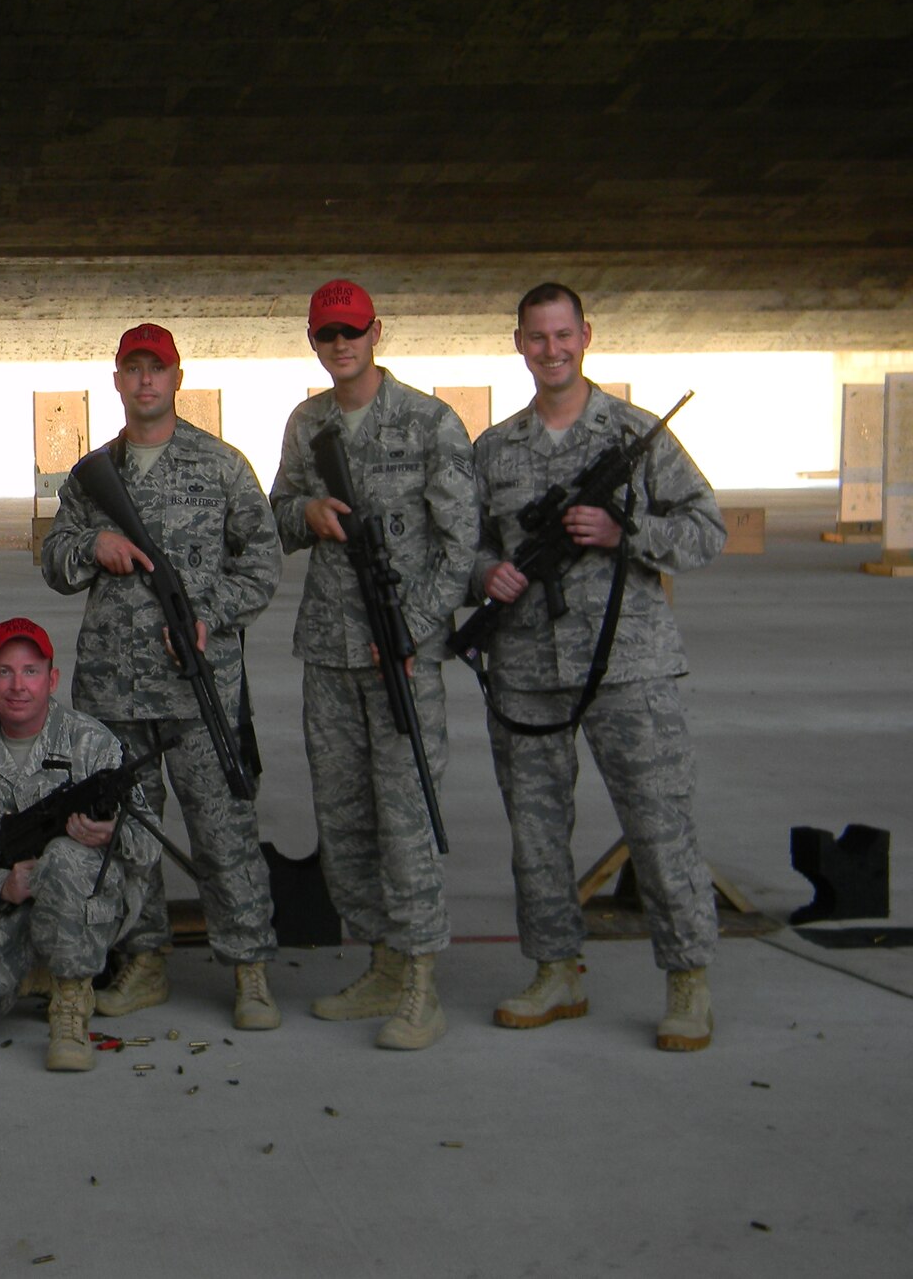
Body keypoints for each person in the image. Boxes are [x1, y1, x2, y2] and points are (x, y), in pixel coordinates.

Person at [473, 283, 727, 1051]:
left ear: (586, 336)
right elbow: (461, 548)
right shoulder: (494, 450)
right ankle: (556, 970)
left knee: (659, 824)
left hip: (630, 667)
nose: (551, 350)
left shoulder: (635, 434)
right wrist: (485, 577)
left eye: (563, 335)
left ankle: (688, 982)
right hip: (524, 665)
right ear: (518, 343)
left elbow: (706, 530)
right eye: (536, 337)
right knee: (537, 833)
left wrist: (628, 531)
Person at [40, 323, 285, 1029]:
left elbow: (262, 563)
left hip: (200, 687)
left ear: (178, 378)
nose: (146, 381)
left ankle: (249, 967)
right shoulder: (94, 476)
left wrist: (211, 614)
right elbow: (55, 563)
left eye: (159, 369)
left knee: (224, 829)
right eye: (133, 369)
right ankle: (144, 959)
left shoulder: (221, 466)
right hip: (114, 689)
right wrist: (94, 543)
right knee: (128, 831)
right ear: (117, 379)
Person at [268, 281, 478, 1050]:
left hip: (401, 656)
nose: (340, 345)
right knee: (345, 816)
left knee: (407, 815)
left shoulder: (430, 423)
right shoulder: (307, 422)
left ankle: (421, 980)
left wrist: (413, 632)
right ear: (314, 342)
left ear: (377, 331)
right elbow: (278, 511)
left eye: (351, 331)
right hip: (328, 647)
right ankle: (383, 962)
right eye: (326, 335)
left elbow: (460, 547)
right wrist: (308, 514)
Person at [0, 619, 161, 1071]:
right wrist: (1, 884)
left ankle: (71, 1004)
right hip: (7, 913)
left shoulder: (93, 744)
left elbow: (150, 842)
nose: (18, 685)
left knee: (63, 856)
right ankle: (25, 973)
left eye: (31, 671)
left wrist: (110, 833)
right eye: (4, 672)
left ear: (52, 679)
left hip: (86, 914)